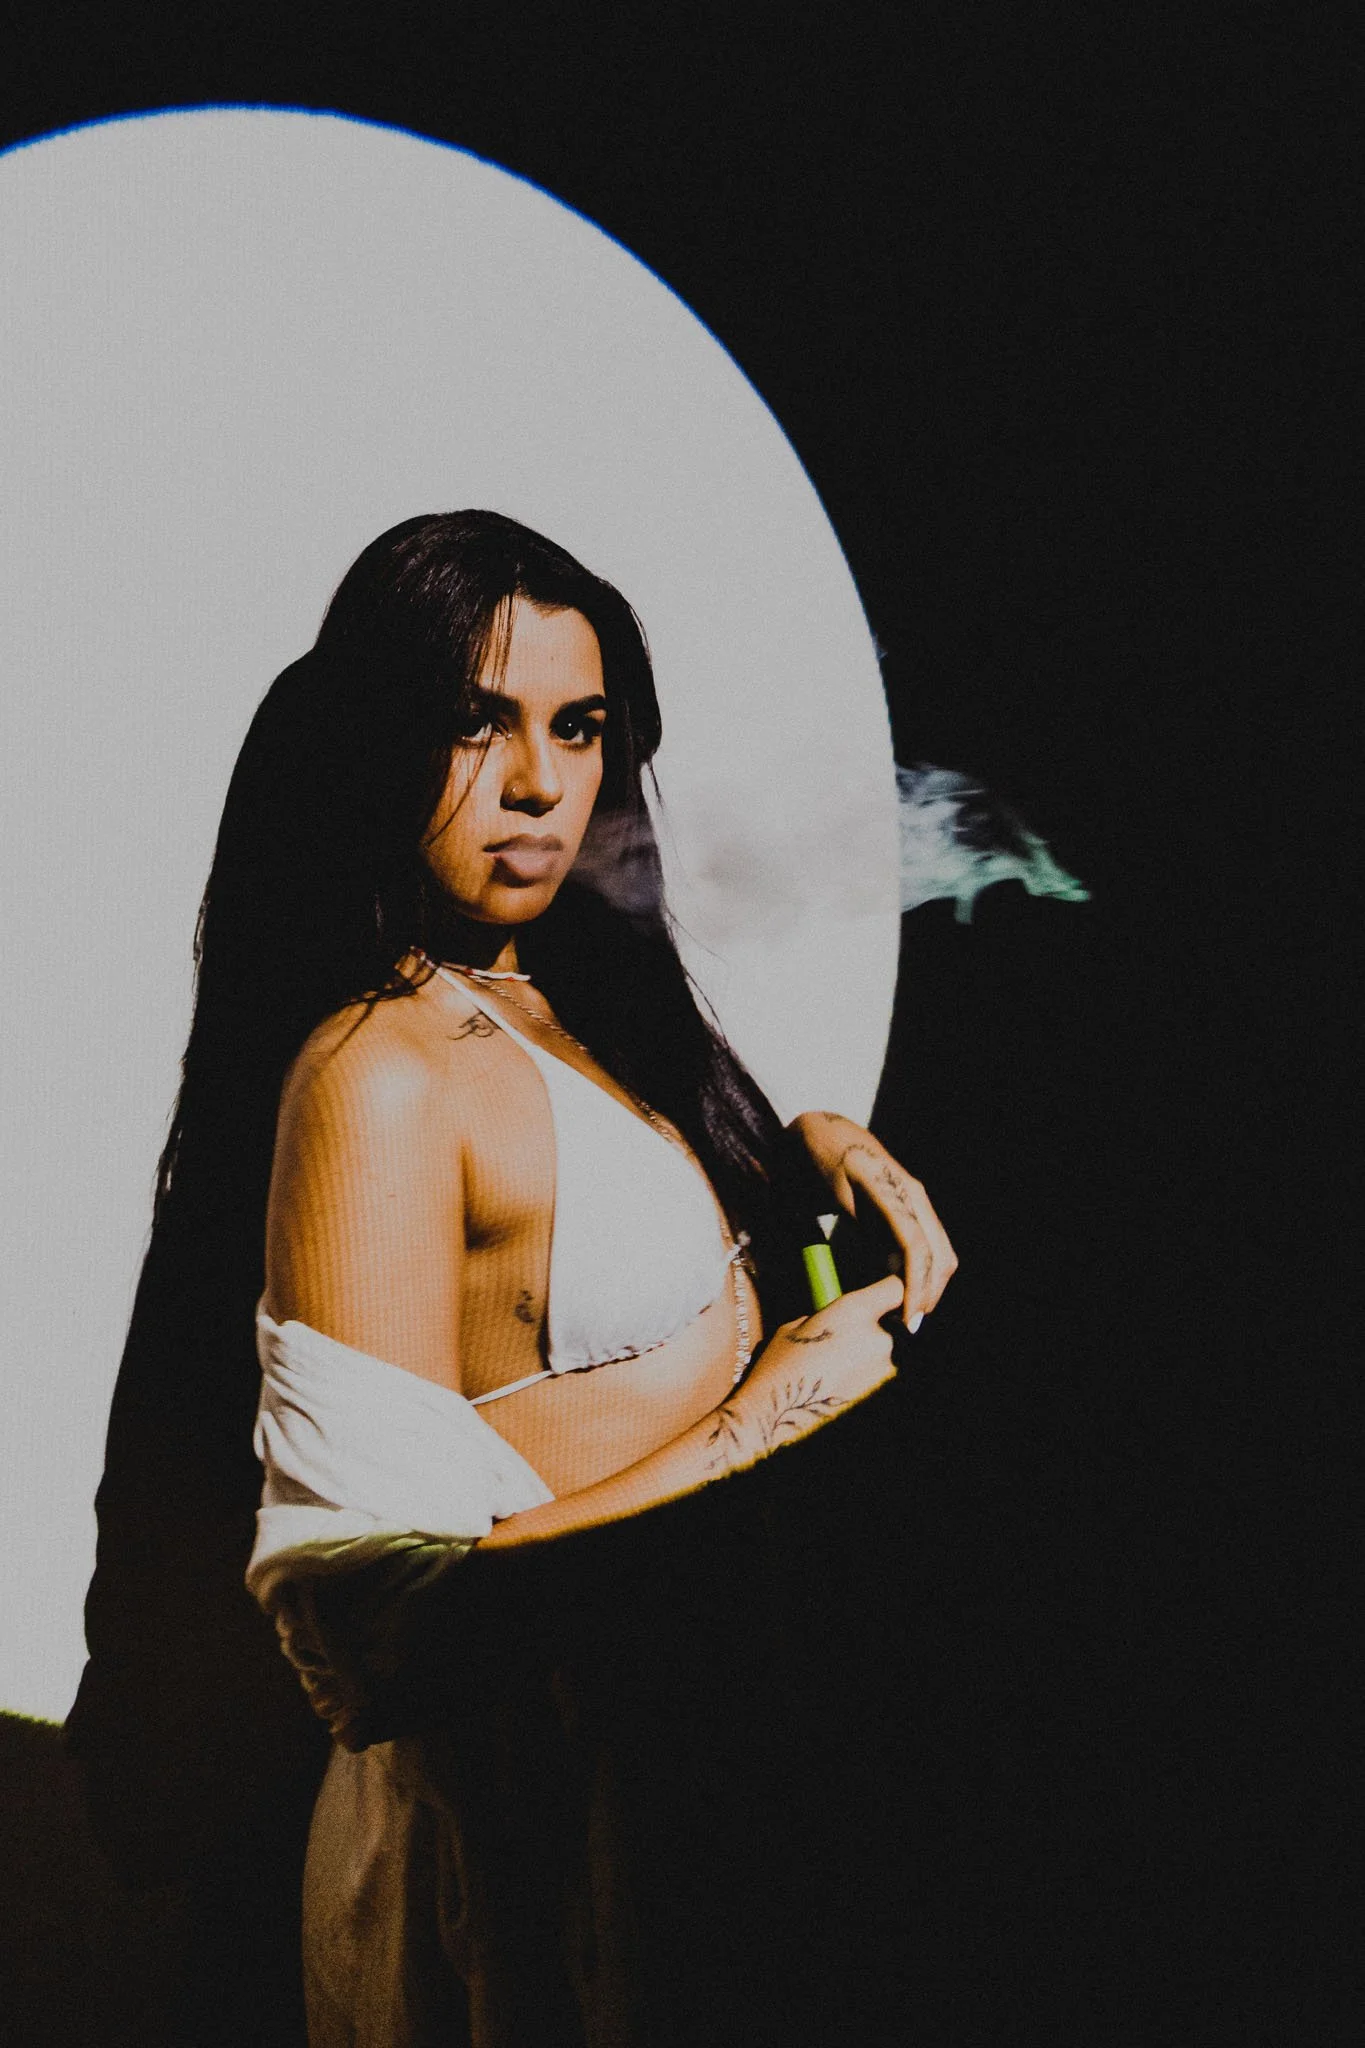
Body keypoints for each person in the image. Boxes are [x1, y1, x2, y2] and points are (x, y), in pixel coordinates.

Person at [70, 510, 956, 2047]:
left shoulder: (563, 1008)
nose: (540, 785)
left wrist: (788, 1149)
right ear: (378, 743)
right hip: (520, 1871)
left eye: (579, 726)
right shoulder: (379, 1074)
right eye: (476, 726)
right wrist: (776, 1413)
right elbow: (373, 1636)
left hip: (680, 1823)